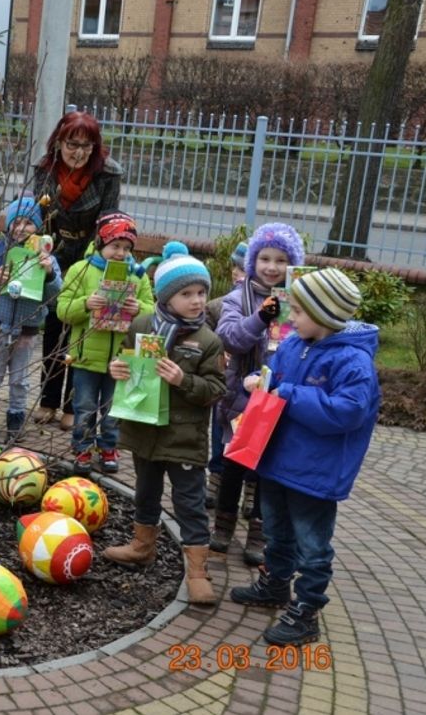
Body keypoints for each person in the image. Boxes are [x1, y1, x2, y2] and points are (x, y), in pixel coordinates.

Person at [229, 268, 377, 646]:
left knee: (312, 544)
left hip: (316, 472)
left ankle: (307, 608)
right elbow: (274, 381)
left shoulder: (352, 362)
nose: (289, 317)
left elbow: (347, 412)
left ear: (325, 315)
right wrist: (259, 385)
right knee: (277, 532)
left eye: (298, 310)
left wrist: (286, 392)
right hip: (277, 460)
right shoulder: (295, 345)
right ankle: (276, 585)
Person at [105, 242, 225, 605]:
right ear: (166, 296)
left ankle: (198, 572)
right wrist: (118, 369)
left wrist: (183, 381)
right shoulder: (143, 325)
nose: (197, 300)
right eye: (187, 293)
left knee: (189, 501)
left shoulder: (208, 341)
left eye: (202, 292)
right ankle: (143, 547)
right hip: (145, 432)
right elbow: (126, 365)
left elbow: (216, 390)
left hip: (184, 437)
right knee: (145, 491)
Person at [211, 223, 305, 566]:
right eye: (264, 258)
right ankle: (223, 525)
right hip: (241, 398)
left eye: (281, 259)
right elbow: (230, 338)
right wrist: (260, 318)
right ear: (253, 261)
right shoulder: (239, 297)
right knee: (234, 463)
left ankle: (258, 531)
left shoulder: (299, 298)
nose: (272, 266)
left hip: (281, 398)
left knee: (267, 470)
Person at [32, 110, 124, 430]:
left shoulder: (107, 174)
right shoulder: (45, 170)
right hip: (55, 251)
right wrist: (41, 257)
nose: (79, 152)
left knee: (82, 329)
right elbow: (39, 216)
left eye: (88, 145)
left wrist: (97, 263)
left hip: (89, 255)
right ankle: (47, 399)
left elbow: (109, 222)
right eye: (73, 144)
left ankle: (72, 405)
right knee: (54, 324)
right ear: (59, 142)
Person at [56, 212, 153, 474]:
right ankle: (83, 448)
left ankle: (109, 447)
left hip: (122, 359)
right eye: (115, 246)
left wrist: (138, 309)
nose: (121, 253)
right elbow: (62, 309)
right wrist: (86, 304)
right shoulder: (81, 270)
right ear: (100, 243)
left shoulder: (138, 276)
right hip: (86, 357)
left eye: (126, 247)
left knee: (113, 409)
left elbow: (152, 314)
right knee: (85, 406)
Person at [0, 196, 60, 445]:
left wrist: (50, 273)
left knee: (20, 379)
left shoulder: (45, 256)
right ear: (8, 224)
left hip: (27, 330)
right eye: (16, 222)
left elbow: (55, 296)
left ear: (38, 227)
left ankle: (15, 420)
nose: (21, 228)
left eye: (28, 223)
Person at [204, 239, 248, 507]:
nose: (235, 272)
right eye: (234, 266)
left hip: (253, 384)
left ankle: (250, 491)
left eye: (242, 267)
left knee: (250, 438)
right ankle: (216, 480)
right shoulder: (220, 305)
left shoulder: (274, 305)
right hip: (226, 382)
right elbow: (206, 334)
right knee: (220, 433)